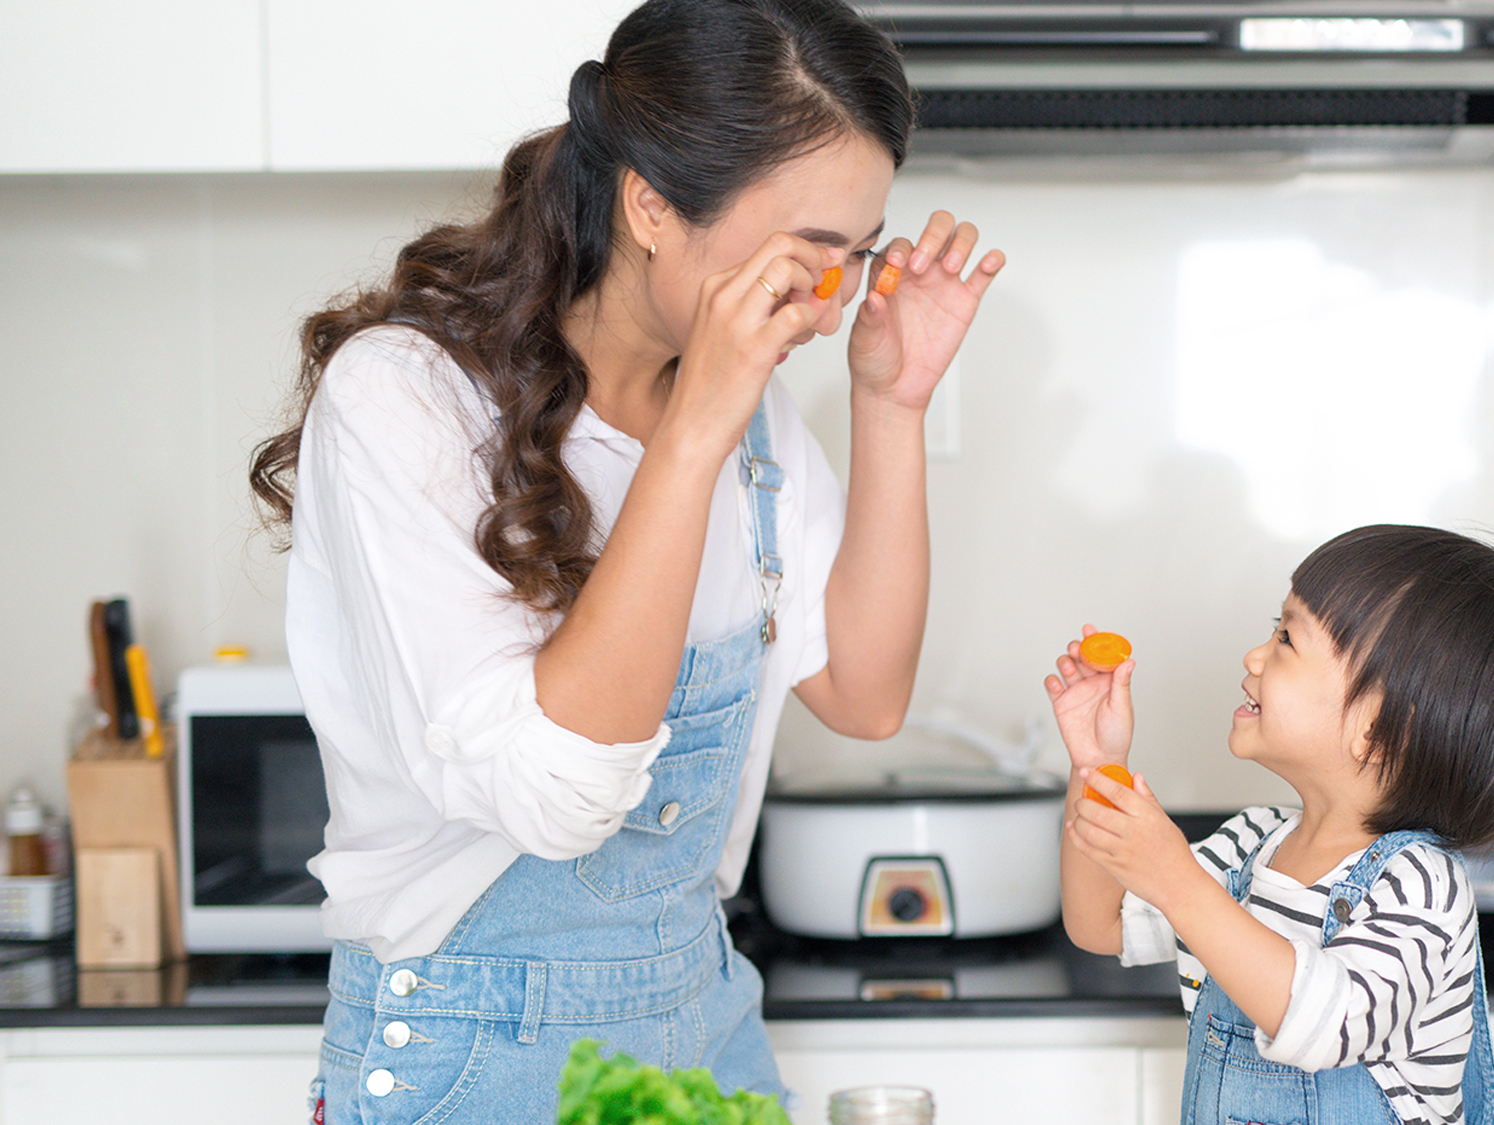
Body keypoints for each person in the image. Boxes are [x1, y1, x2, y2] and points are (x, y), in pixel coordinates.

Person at [246, 0, 1004, 1119]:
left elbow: (864, 691)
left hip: (699, 1025)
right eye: (800, 251)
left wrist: (890, 402)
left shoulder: (750, 415)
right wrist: (692, 433)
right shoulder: (405, 398)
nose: (826, 299)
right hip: (477, 1051)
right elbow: (554, 802)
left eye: (851, 255)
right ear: (651, 203)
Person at [1045, 525, 1494, 1125]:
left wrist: (1177, 881)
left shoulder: (1419, 885)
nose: (1253, 655)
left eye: (1287, 639)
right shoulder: (1251, 843)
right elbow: (1099, 923)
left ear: (1378, 727)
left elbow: (1329, 1025)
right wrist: (1096, 762)